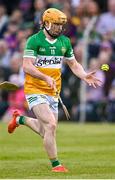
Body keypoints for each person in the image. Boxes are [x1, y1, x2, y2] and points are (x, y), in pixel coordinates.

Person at [8, 8, 101, 172]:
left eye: (61, 25)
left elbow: (73, 64)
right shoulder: (34, 41)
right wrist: (45, 77)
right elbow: (26, 66)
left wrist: (84, 75)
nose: (60, 28)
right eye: (57, 25)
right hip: (35, 89)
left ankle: (20, 120)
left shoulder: (64, 42)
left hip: (53, 91)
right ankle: (56, 165)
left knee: (45, 131)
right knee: (51, 125)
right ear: (47, 23)